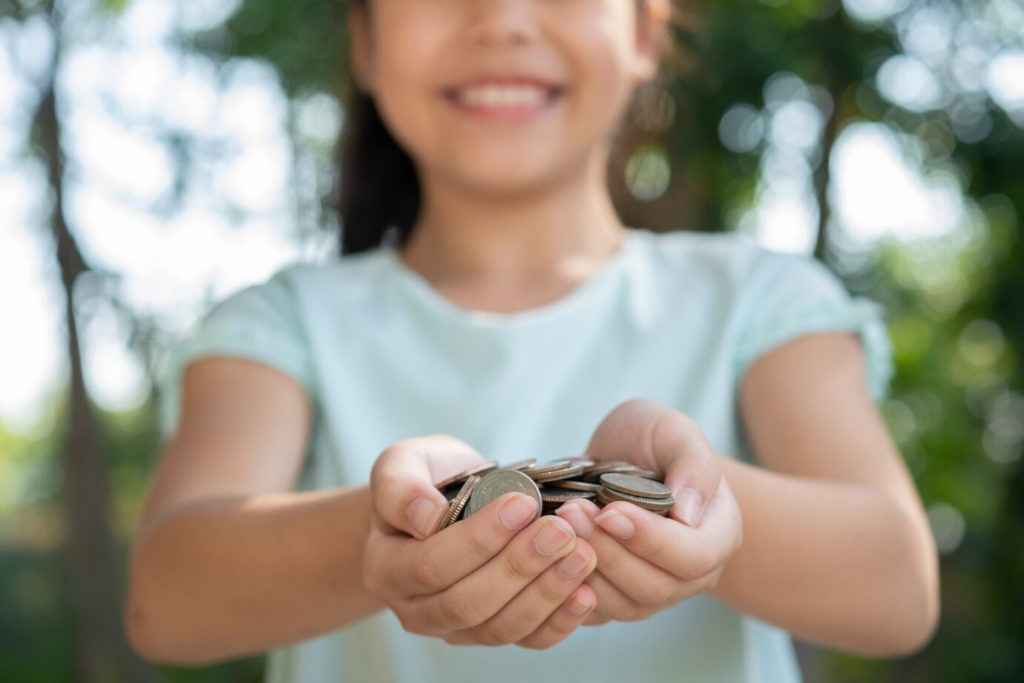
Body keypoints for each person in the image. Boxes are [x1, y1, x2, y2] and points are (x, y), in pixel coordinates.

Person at [124, 0, 941, 681]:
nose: (502, 19)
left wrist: (690, 500)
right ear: (365, 41)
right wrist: (397, 528)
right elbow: (164, 599)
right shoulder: (284, 321)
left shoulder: (762, 297)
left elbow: (898, 588)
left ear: (645, 33)